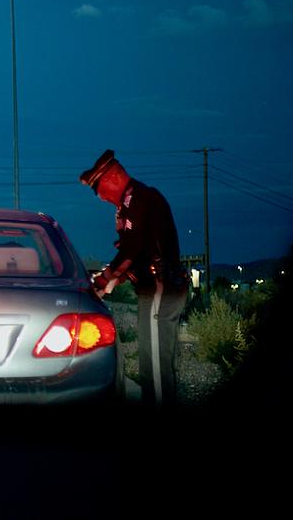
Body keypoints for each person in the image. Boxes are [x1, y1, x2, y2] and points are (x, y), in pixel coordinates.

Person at [80, 149, 188, 407]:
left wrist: (103, 282)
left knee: (155, 368)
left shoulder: (138, 199)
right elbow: (137, 252)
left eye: (100, 190)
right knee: (151, 363)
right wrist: (116, 279)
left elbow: (132, 250)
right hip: (154, 288)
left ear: (112, 179)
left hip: (159, 287)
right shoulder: (134, 202)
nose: (102, 198)